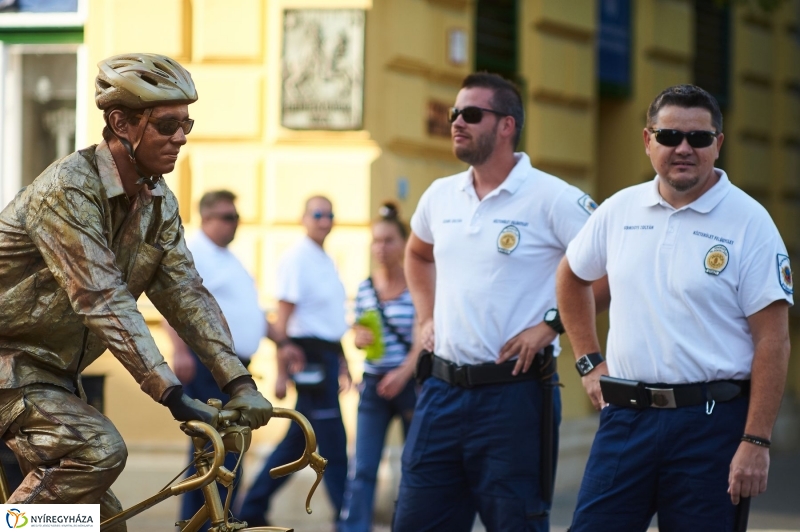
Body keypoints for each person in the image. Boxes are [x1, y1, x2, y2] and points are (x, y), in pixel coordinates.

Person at [0, 53, 272, 528]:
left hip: (52, 379)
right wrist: (170, 392)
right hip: (10, 368)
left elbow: (186, 293)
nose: (181, 137)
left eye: (186, 124)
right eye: (167, 125)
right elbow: (100, 296)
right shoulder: (68, 189)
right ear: (120, 123)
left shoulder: (157, 202)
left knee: (102, 522)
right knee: (98, 450)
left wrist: (239, 383)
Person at [557, 84, 792, 531]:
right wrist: (588, 361)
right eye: (669, 136)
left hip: (710, 425)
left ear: (718, 144)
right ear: (648, 141)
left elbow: (773, 341)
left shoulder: (750, 223)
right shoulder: (620, 209)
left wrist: (756, 441)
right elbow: (571, 277)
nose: (683, 148)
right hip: (626, 419)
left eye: (698, 138)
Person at [393, 72, 608, 532]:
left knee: (516, 524)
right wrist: (425, 317)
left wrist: (551, 325)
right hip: (441, 392)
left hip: (514, 398)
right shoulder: (440, 195)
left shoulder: (553, 198)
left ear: (507, 125)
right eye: (455, 113)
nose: (457, 122)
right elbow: (417, 254)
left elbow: (610, 270)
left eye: (471, 114)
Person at [165, 190, 302, 530]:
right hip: (208, 368)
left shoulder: (231, 259)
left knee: (232, 449)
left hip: (235, 370)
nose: (235, 224)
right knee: (211, 451)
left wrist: (282, 342)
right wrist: (180, 351)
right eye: (228, 217)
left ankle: (221, 521)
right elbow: (172, 303)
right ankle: (199, 524)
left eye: (237, 217)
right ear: (207, 217)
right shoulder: (195, 253)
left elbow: (251, 312)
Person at [239, 195, 350, 526]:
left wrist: (343, 362)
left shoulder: (325, 260)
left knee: (297, 443)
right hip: (308, 359)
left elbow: (329, 320)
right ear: (303, 218)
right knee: (333, 442)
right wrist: (281, 373)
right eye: (317, 214)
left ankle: (251, 508)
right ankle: (348, 518)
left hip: (327, 357)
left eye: (329, 214)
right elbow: (283, 320)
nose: (324, 220)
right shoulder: (297, 258)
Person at [337, 202, 420, 532]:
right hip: (373, 384)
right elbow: (361, 337)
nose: (381, 248)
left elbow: (424, 340)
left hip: (410, 385)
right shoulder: (365, 288)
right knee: (363, 467)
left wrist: (402, 375)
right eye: (376, 241)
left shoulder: (418, 287)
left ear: (403, 243)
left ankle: (410, 525)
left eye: (388, 240)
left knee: (414, 466)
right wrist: (359, 338)